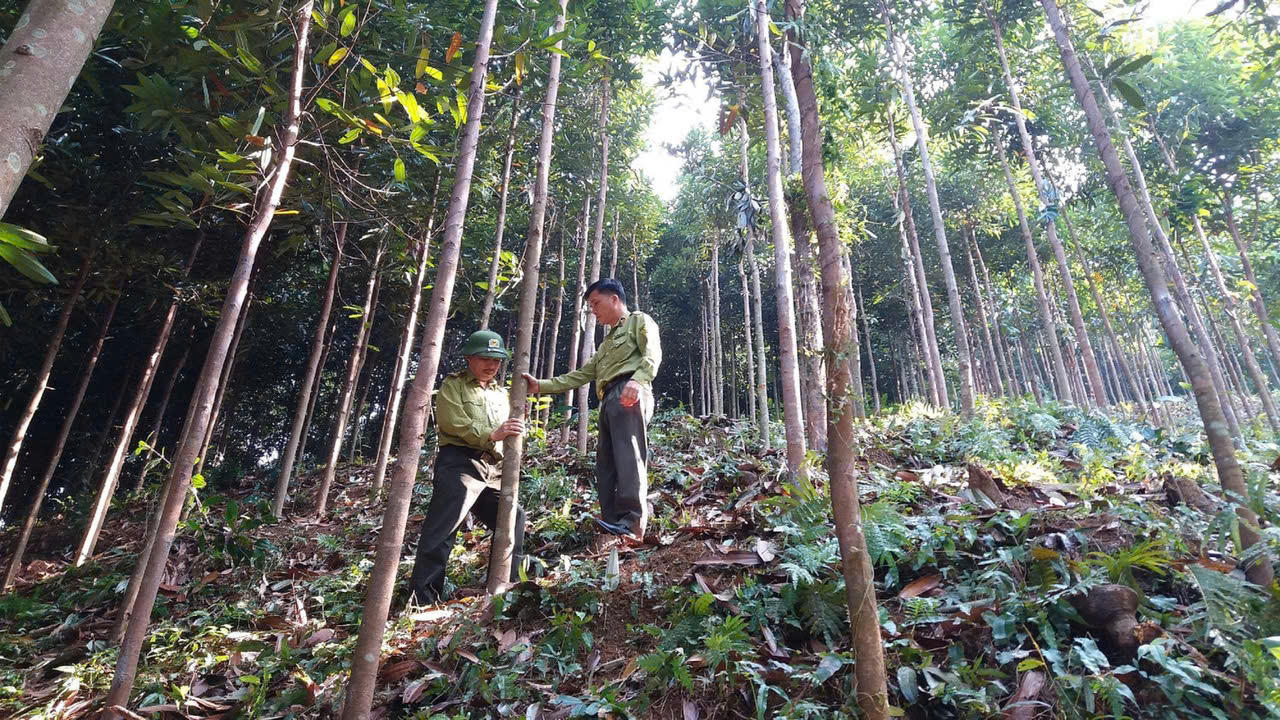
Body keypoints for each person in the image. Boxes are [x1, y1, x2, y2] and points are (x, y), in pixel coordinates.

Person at [523, 278, 661, 545]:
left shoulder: (638, 321)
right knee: (606, 464)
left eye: (596, 304)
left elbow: (652, 352)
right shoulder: (606, 344)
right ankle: (613, 522)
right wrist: (541, 386)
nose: (594, 311)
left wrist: (638, 380)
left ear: (614, 299)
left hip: (629, 390)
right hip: (608, 399)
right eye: (590, 307)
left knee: (630, 456)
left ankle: (633, 523)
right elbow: (582, 375)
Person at [409, 329, 526, 604]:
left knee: (514, 518)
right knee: (443, 530)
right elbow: (451, 422)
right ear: (469, 358)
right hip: (459, 464)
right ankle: (423, 600)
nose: (491, 365)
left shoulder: (502, 393)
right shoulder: (454, 385)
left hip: (493, 469)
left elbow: (510, 430)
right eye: (485, 358)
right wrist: (492, 434)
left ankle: (505, 587)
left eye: (496, 360)